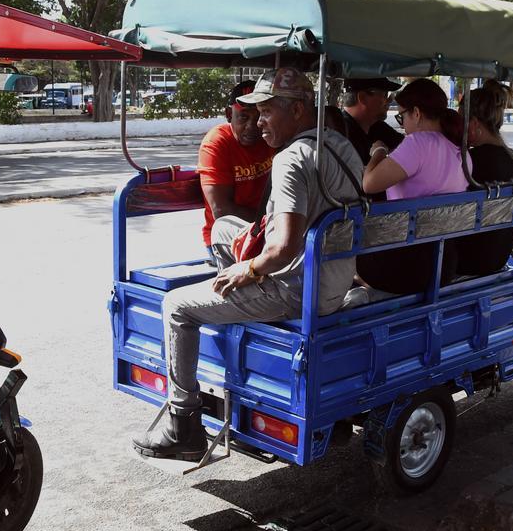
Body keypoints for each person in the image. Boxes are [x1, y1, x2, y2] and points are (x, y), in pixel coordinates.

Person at [132, 68, 363, 461]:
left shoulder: (290, 159)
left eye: (268, 112)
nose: (259, 122)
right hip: (332, 280)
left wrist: (249, 270)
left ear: (298, 110)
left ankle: (183, 424)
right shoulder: (341, 146)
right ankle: (235, 313)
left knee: (175, 306)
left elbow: (285, 247)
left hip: (294, 290)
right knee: (224, 227)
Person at [357, 78, 469, 294]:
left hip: (405, 265)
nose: (402, 125)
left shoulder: (417, 144)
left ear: (416, 113)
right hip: (444, 266)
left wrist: (378, 151)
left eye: (401, 116)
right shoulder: (460, 150)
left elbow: (369, 184)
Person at [197, 81, 275, 263]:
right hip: (229, 237)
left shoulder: (271, 137)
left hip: (268, 232)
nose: (252, 126)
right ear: (228, 114)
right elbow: (222, 211)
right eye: (243, 117)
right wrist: (273, 222)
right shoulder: (216, 143)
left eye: (259, 116)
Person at [454, 80, 513, 275]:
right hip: (498, 257)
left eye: (461, 122)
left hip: (466, 261)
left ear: (474, 123)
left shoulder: (470, 160)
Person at [341, 77, 405, 168]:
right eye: (385, 95)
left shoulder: (375, 125)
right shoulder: (343, 135)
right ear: (362, 98)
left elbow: (407, 148)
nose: (390, 100)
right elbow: (363, 176)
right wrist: (379, 152)